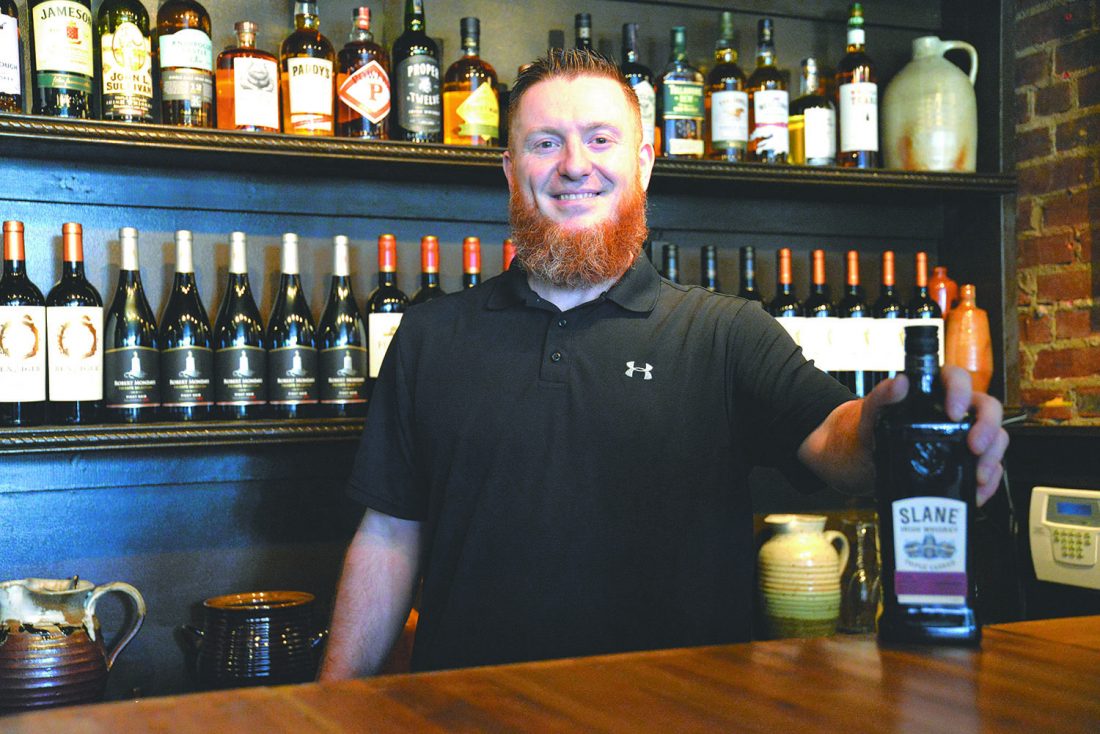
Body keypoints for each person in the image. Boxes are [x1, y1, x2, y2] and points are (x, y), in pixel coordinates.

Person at [318, 50, 1008, 679]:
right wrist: (330, 707)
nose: (574, 165)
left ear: (645, 162)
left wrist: (895, 427)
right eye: (545, 142)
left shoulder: (725, 333)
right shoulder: (430, 335)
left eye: (600, 139)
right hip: (467, 716)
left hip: (678, 711)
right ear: (509, 169)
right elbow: (387, 537)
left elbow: (836, 440)